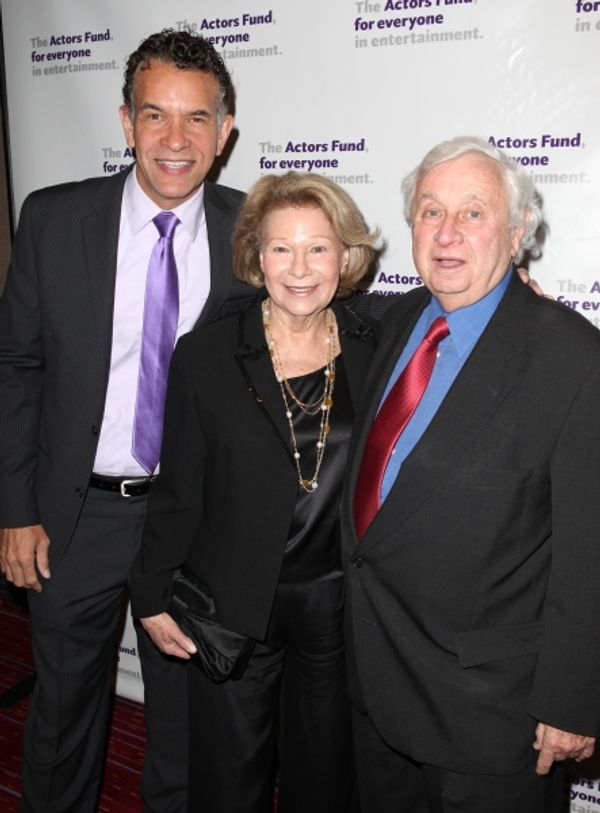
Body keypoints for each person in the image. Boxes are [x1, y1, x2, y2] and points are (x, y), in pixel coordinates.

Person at [0, 29, 253, 813]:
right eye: (154, 115)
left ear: (224, 132)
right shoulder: (53, 219)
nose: (176, 139)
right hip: (75, 514)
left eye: (197, 118)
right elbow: (17, 369)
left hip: (191, 521)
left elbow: (337, 297)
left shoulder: (252, 231)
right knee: (63, 711)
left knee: (181, 719)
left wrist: (482, 293)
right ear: (125, 121)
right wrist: (16, 509)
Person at [341, 135, 600, 812]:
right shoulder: (395, 319)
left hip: (490, 715)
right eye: (431, 211)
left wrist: (572, 700)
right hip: (375, 685)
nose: (447, 231)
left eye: (474, 213)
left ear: (517, 232)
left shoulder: (574, 358)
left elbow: (590, 549)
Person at [129, 171, 380, 812]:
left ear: (346, 255)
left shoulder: (376, 343)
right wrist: (150, 593)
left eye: (318, 248)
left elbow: (452, 310)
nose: (299, 268)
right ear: (255, 256)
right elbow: (179, 486)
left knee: (325, 779)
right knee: (228, 778)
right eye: (281, 248)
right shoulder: (207, 354)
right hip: (232, 604)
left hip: (336, 607)